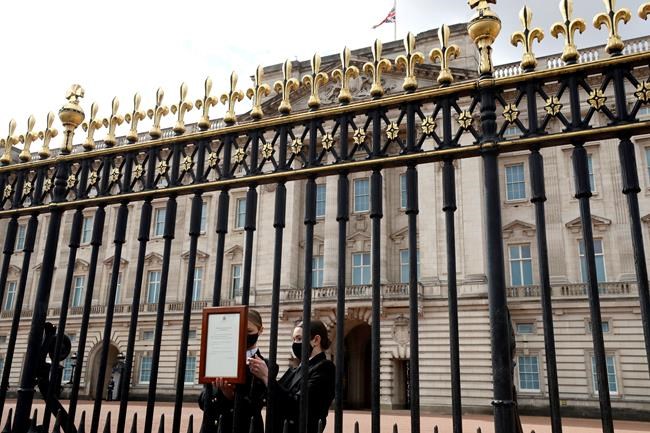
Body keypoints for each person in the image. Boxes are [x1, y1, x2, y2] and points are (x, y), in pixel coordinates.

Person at [249, 320, 335, 433]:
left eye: (299, 338)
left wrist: (266, 376)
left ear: (316, 340)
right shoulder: (295, 369)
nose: (295, 343)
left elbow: (298, 405)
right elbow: (273, 396)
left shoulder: (325, 368)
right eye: (294, 339)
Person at [199, 309, 267, 433]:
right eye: (239, 330)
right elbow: (203, 401)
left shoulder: (267, 365)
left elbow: (254, 407)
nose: (243, 335)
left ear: (260, 330)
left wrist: (231, 396)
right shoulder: (217, 358)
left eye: (248, 331)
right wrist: (218, 392)